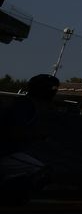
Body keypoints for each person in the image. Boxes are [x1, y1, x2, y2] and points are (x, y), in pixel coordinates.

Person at [0, 74, 59, 205]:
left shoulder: (24, 104)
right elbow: (14, 132)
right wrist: (39, 135)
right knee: (42, 172)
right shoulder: (25, 105)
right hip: (4, 152)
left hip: (8, 151)